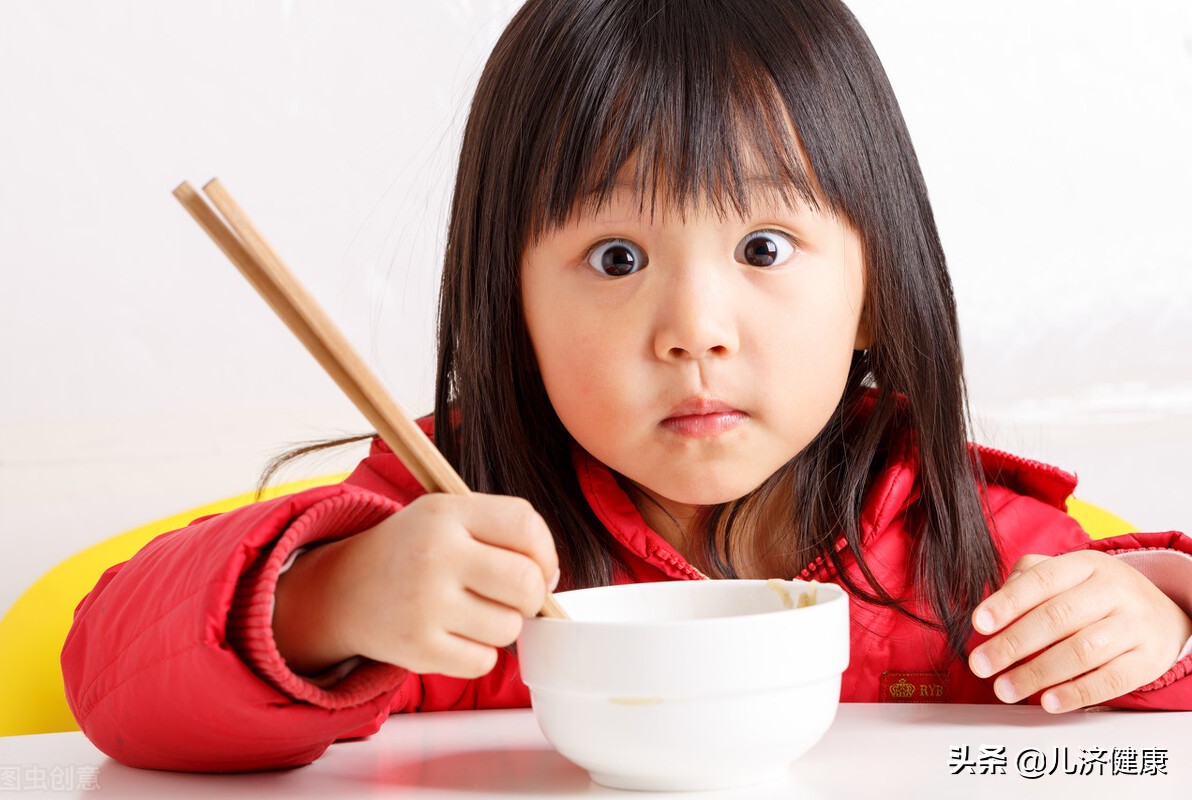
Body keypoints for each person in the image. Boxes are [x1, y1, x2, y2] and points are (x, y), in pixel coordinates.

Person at [62, 0, 1192, 773]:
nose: (694, 331)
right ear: (511, 304)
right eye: (615, 258)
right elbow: (108, 680)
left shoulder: (979, 549)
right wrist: (329, 601)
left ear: (874, 289)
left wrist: (1161, 622)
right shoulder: (436, 524)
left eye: (762, 248)